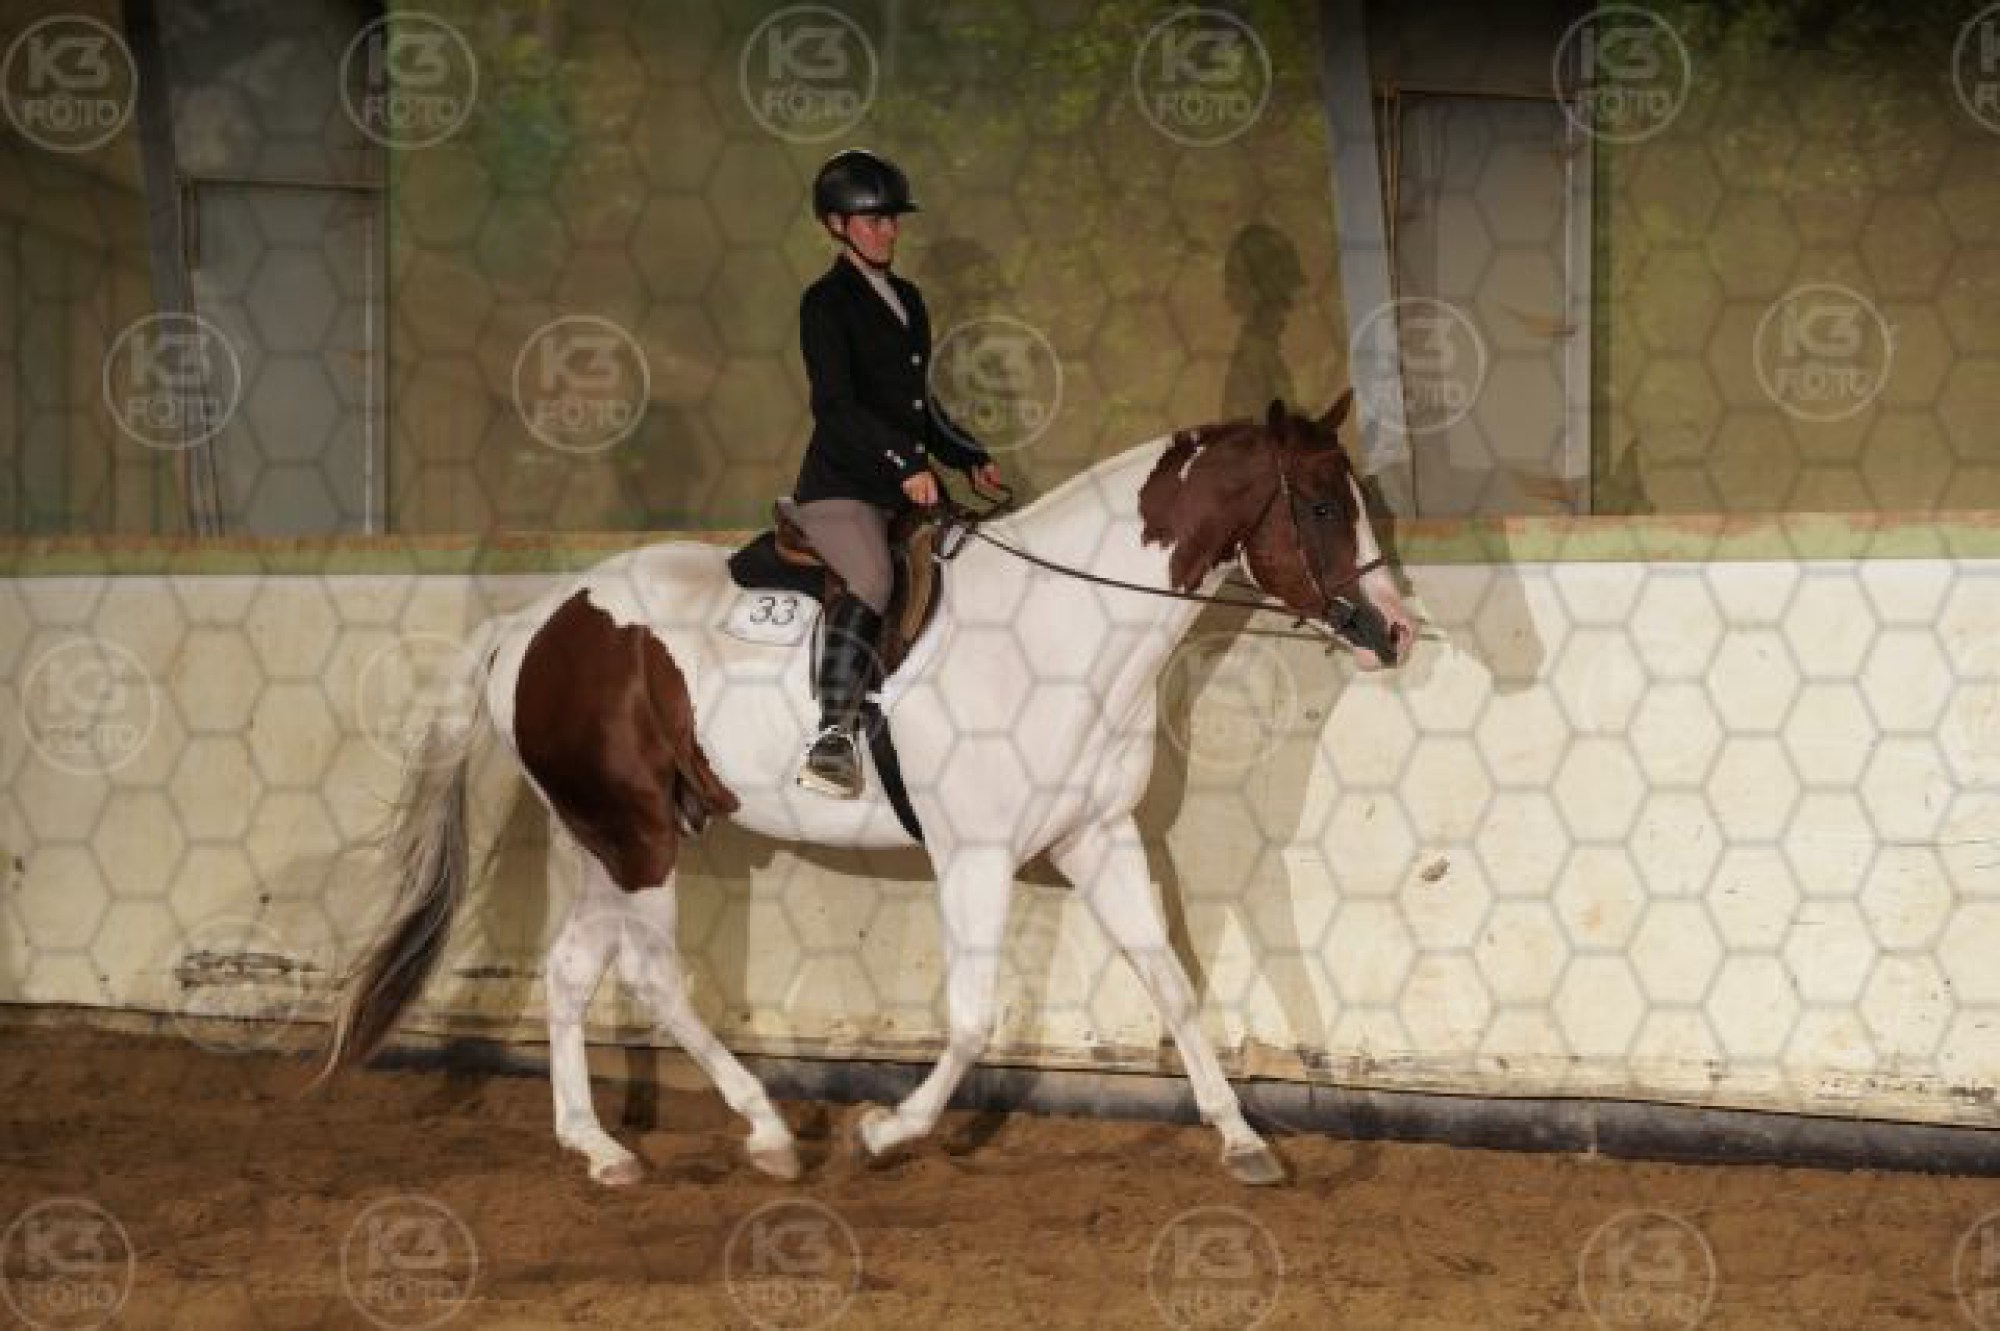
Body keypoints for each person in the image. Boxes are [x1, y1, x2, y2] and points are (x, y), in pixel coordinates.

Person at [788, 148, 1005, 799]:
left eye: (892, 219)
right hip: (841, 489)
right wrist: (905, 463)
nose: (890, 231)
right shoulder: (824, 303)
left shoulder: (907, 298)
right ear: (837, 225)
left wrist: (968, 455)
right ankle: (832, 736)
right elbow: (837, 409)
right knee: (875, 577)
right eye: (874, 220)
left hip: (902, 485)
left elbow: (918, 405)